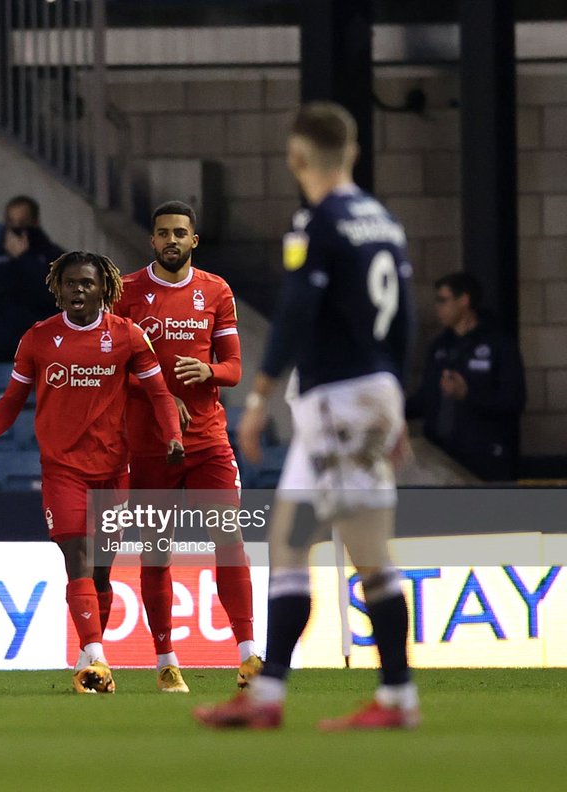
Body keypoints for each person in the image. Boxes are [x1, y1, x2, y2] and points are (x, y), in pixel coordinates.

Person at [194, 102, 418, 731]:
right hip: (371, 392)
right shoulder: (384, 222)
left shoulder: (317, 221)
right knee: (291, 542)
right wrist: (396, 401)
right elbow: (406, 320)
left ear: (297, 158)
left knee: (363, 552)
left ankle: (396, 699)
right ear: (352, 153)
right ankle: (269, 694)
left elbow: (295, 311)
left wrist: (261, 395)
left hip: (337, 399)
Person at [0, 251, 184, 694]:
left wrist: (172, 435)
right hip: (62, 469)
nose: (77, 290)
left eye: (86, 283)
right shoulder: (38, 339)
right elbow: (12, 399)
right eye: (69, 283)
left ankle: (89, 652)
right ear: (56, 288)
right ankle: (98, 661)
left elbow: (159, 393)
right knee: (77, 558)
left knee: (102, 573)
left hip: (114, 470)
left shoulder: (128, 336)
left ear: (104, 287)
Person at [114, 200, 259, 693]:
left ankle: (247, 655)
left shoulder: (215, 291)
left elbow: (235, 368)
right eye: (162, 233)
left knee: (229, 541)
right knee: (155, 553)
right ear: (151, 241)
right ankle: (165, 661)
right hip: (149, 447)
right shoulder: (127, 293)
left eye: (180, 232)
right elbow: (112, 370)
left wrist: (209, 371)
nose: (171, 239)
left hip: (207, 440)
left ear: (194, 240)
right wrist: (158, 394)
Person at [406, 272, 526, 481]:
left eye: (443, 300)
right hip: (440, 458)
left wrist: (468, 394)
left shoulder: (498, 344)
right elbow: (426, 398)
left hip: (483, 459)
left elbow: (514, 400)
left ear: (464, 301)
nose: (437, 307)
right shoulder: (440, 346)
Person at [0, 195, 63, 362]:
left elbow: (55, 298)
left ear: (35, 223)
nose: (16, 228)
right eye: (11, 222)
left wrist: (23, 259)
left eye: (22, 223)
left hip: (42, 347)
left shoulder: (54, 257)